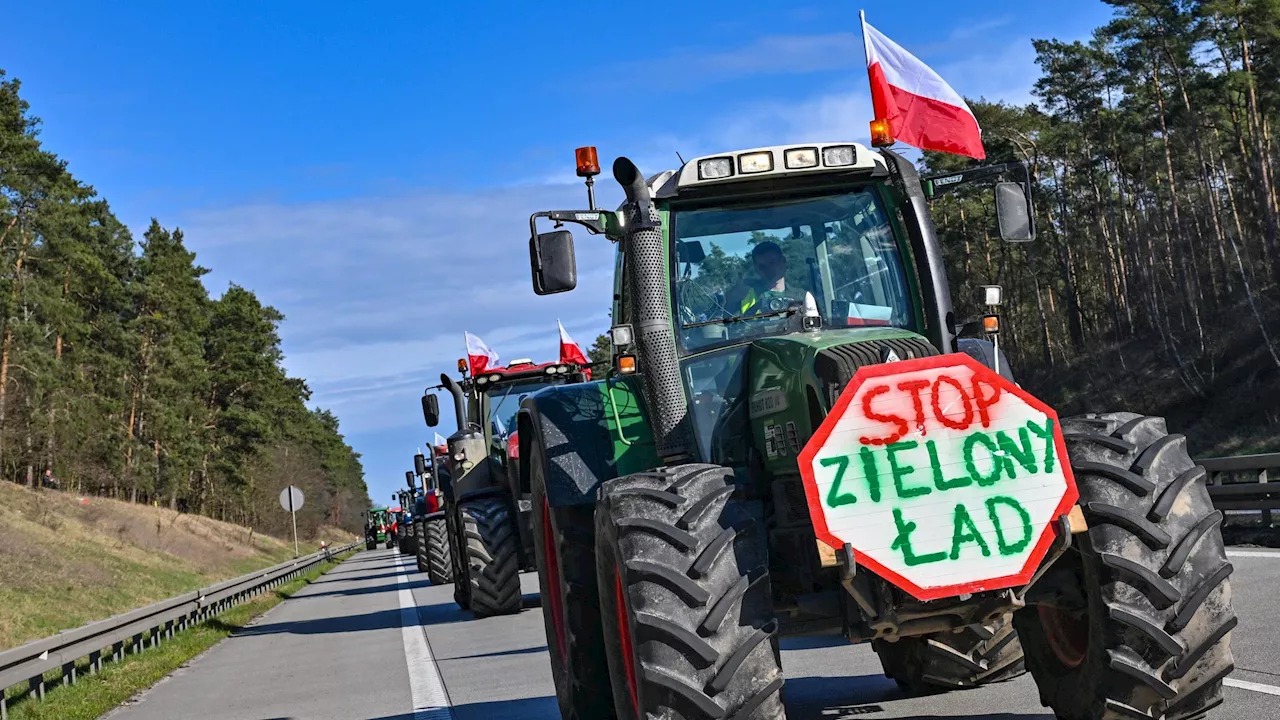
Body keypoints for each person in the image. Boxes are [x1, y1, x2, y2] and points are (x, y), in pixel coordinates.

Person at [725, 240, 792, 316]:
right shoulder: (744, 295)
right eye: (762, 266)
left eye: (772, 263)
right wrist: (731, 298)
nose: (769, 269)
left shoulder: (802, 296)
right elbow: (727, 321)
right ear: (756, 269)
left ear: (783, 261)